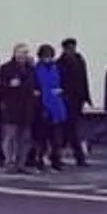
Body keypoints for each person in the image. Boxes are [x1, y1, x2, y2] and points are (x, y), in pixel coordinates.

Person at [0, 43, 38, 175]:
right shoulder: (6, 68)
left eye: (26, 53)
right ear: (15, 53)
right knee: (11, 137)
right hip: (11, 108)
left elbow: (33, 84)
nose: (24, 55)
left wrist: (35, 93)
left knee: (25, 138)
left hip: (27, 108)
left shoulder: (30, 69)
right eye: (22, 53)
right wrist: (9, 85)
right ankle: (9, 163)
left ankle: (21, 163)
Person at [30, 43, 67, 172]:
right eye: (45, 56)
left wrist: (61, 91)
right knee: (42, 137)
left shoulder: (56, 68)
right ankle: (39, 160)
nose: (48, 59)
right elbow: (35, 88)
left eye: (50, 56)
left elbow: (63, 83)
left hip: (56, 106)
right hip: (43, 106)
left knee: (56, 138)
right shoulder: (35, 70)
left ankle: (55, 160)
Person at [55, 38, 92, 166]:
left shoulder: (80, 60)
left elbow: (83, 80)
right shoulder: (60, 63)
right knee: (70, 130)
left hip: (77, 100)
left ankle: (57, 156)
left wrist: (86, 97)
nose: (71, 50)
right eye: (69, 48)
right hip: (65, 100)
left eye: (73, 48)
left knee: (69, 130)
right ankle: (78, 157)